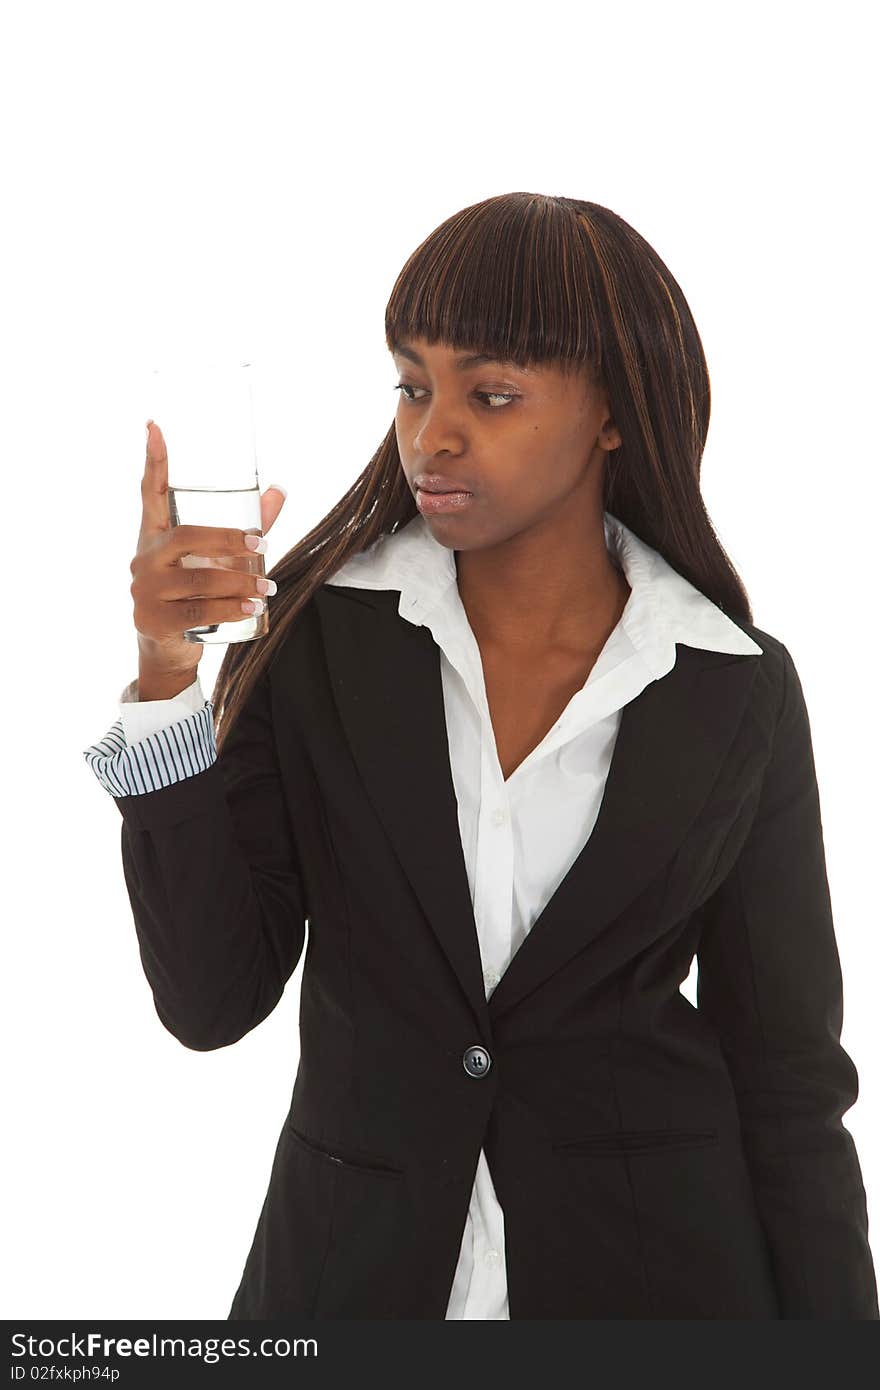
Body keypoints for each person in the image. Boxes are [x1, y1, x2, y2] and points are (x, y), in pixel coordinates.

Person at [83, 192, 878, 1320]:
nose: (430, 435)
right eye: (413, 384)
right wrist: (168, 678)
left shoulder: (730, 684)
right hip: (349, 1284)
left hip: (667, 1289)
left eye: (489, 394)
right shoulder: (316, 641)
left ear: (611, 412)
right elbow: (210, 998)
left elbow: (790, 1077)